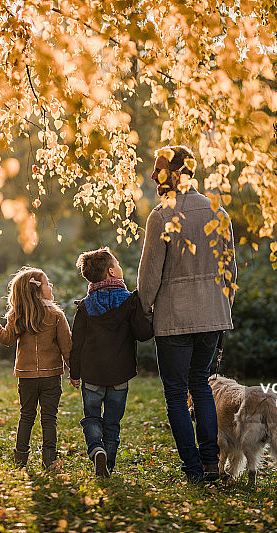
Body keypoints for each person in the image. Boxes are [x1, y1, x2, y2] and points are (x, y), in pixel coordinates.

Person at [137, 145, 237, 484]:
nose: (153, 176)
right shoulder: (218, 212)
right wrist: (222, 310)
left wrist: (144, 311)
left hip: (173, 319)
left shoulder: (161, 215)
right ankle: (210, 464)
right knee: (201, 385)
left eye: (159, 169)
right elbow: (230, 272)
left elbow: (149, 275)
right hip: (211, 315)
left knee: (177, 394)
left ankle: (193, 469)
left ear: (178, 172)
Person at [69, 247, 153, 477]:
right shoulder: (130, 301)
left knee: (92, 418)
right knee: (112, 422)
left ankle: (96, 450)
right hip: (120, 374)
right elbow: (143, 333)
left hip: (92, 375)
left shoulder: (85, 306)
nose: (120, 267)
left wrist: (74, 373)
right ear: (111, 272)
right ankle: (109, 465)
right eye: (117, 264)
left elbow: (76, 344)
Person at [0, 267, 71, 468]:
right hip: (51, 376)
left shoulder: (18, 315)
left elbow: (7, 338)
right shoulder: (56, 315)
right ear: (38, 290)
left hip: (26, 376)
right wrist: (74, 373)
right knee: (49, 418)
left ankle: (20, 458)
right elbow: (67, 348)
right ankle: (49, 458)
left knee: (26, 416)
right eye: (48, 284)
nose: (51, 287)